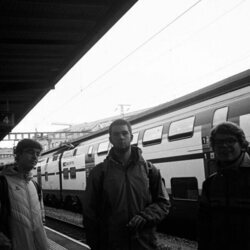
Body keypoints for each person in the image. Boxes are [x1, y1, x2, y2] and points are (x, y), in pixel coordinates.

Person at [82, 119, 170, 250]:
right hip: (112, 245)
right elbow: (89, 214)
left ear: (131, 137)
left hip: (144, 243)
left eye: (124, 133)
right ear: (110, 139)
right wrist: (95, 244)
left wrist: (146, 216)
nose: (121, 137)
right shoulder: (99, 173)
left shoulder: (149, 170)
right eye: (116, 134)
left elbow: (163, 202)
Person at [198, 122, 250, 250]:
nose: (224, 146)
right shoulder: (209, 184)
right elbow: (204, 228)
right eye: (218, 143)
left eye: (230, 141)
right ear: (213, 148)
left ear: (242, 145)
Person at [0, 139, 49, 250]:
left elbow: (42, 219)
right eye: (30, 152)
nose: (35, 157)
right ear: (18, 155)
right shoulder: (2, 183)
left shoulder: (35, 185)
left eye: (37, 154)